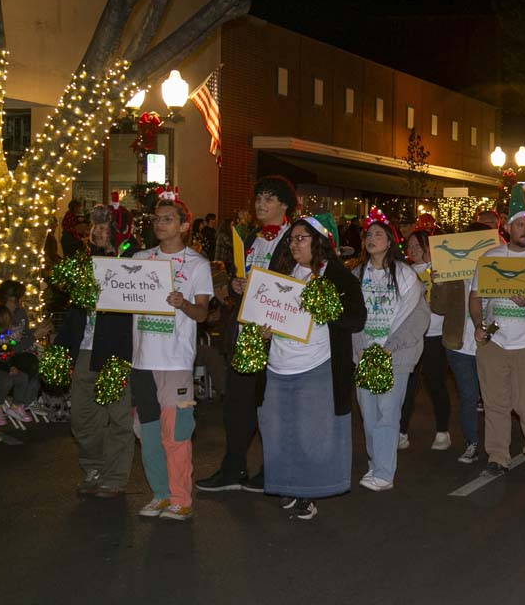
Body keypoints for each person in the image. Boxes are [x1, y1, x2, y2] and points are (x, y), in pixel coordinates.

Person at [258, 214, 365, 520]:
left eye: (301, 238)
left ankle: (308, 492)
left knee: (310, 434)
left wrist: (327, 308)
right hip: (279, 364)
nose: (294, 244)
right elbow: (270, 311)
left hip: (316, 364)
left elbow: (356, 319)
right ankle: (287, 486)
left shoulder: (338, 276)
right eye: (291, 239)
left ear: (319, 242)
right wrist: (264, 328)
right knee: (278, 431)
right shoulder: (282, 272)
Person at [197, 175, 296, 493]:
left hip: (275, 338)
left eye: (268, 198)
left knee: (273, 408)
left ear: (284, 205)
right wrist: (236, 285)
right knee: (237, 406)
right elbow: (239, 279)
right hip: (244, 334)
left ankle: (274, 470)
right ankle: (233, 467)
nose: (260, 204)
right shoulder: (251, 238)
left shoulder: (295, 239)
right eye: (258, 198)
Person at [468, 186, 525, 477]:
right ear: (508, 227)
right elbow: (475, 297)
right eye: (520, 224)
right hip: (495, 341)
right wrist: (478, 326)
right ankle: (498, 455)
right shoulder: (490, 258)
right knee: (495, 402)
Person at [131, 198, 212, 522]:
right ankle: (160, 495)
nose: (159, 224)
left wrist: (183, 303)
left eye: (167, 219)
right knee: (147, 432)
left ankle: (181, 498)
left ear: (183, 225)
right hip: (142, 360)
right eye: (156, 219)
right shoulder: (139, 259)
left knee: (176, 432)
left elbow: (203, 313)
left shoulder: (197, 265)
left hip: (175, 361)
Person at [53, 205, 137, 497]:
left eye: (103, 227)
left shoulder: (133, 262)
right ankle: (95, 466)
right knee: (82, 418)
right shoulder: (84, 261)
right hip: (86, 351)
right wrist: (62, 349)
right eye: (94, 226)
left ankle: (114, 477)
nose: (96, 232)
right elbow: (74, 310)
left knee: (118, 418)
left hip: (115, 351)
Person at [352, 213, 428, 490]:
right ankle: (376, 464)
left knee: (388, 413)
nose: (371, 239)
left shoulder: (406, 276)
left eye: (378, 235)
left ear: (390, 242)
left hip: (394, 356)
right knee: (368, 413)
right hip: (365, 355)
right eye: (368, 235)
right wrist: (359, 347)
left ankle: (385, 473)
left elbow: (418, 318)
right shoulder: (356, 275)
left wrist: (390, 347)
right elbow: (351, 317)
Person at [430, 222, 488, 464]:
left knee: (496, 397)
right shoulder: (454, 274)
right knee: (467, 395)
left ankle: (499, 445)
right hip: (459, 344)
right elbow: (438, 308)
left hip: (491, 343)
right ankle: (472, 442)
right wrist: (439, 284)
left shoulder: (494, 270)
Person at [400, 228, 452, 452]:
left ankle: (443, 431)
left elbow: (449, 302)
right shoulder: (404, 271)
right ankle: (401, 431)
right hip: (412, 336)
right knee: (407, 385)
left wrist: (438, 282)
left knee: (436, 383)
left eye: (417, 246)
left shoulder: (439, 270)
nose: (412, 250)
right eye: (409, 246)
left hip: (434, 334)